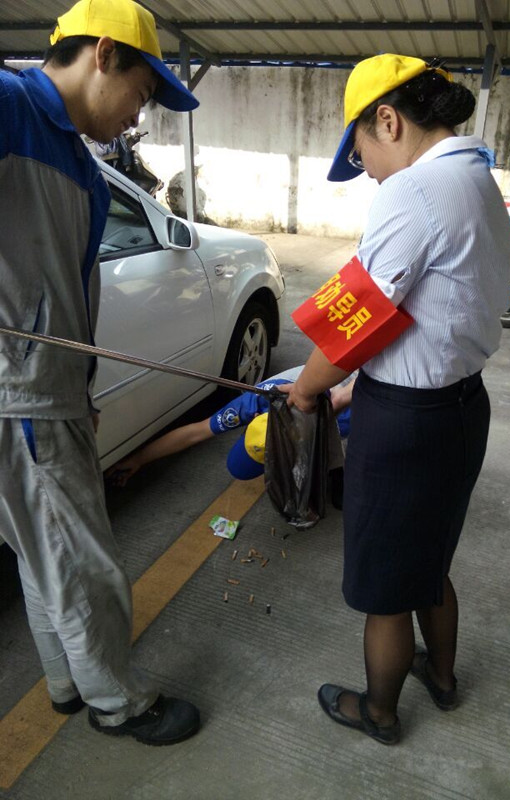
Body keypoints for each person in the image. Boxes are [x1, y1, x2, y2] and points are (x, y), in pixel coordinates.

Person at [279, 54, 510, 745]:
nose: (371, 174)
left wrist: (306, 389)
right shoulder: (478, 181)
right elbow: (425, 308)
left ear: (388, 120)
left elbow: (357, 319)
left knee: (386, 582)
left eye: (363, 157)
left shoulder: (413, 191)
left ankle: (378, 712)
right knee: (429, 561)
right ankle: (440, 676)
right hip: (463, 408)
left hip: (406, 423)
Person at [0, 0, 203, 746]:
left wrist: (78, 390)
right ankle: (119, 703)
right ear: (105, 54)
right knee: (83, 561)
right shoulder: (11, 105)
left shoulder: (80, 166)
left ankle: (65, 681)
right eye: (141, 94)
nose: (137, 117)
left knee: (41, 550)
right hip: (20, 393)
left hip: (47, 389)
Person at [106, 367, 352, 497]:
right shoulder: (252, 403)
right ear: (254, 421)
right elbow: (195, 432)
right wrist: (138, 459)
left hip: (347, 383)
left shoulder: (342, 420)